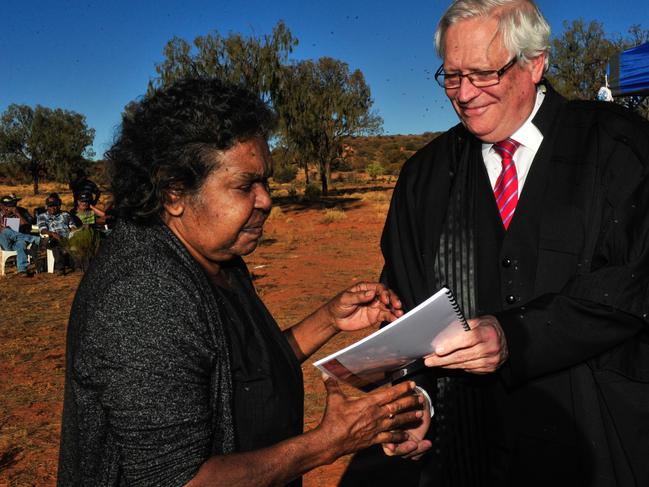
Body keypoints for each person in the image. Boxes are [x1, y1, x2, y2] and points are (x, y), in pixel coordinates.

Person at [57, 78, 429, 486]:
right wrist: (328, 443)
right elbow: (180, 481)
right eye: (244, 185)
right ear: (174, 193)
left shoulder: (219, 260)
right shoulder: (142, 295)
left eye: (265, 181)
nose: (267, 199)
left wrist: (328, 319)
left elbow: (244, 369)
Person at [379, 1, 649, 486]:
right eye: (452, 75)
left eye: (483, 73)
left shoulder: (620, 146)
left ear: (535, 63)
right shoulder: (422, 177)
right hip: (469, 452)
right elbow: (405, 304)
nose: (464, 94)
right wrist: (414, 399)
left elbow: (634, 283)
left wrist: (515, 337)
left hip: (601, 443)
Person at [37, 193, 78, 275]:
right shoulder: (42, 216)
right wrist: (52, 233)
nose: (53, 208)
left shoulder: (65, 214)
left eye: (55, 205)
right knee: (56, 244)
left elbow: (73, 226)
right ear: (46, 206)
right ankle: (60, 268)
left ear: (58, 205)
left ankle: (78, 266)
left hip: (67, 237)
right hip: (53, 238)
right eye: (50, 206)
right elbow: (42, 230)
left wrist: (74, 234)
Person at [0, 194, 40, 277]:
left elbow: (27, 226)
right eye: (7, 205)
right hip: (4, 243)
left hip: (17, 241)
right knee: (5, 231)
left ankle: (22, 270)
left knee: (21, 243)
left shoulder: (17, 213)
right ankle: (34, 239)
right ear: (2, 206)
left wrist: (17, 214)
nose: (9, 207)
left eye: (11, 205)